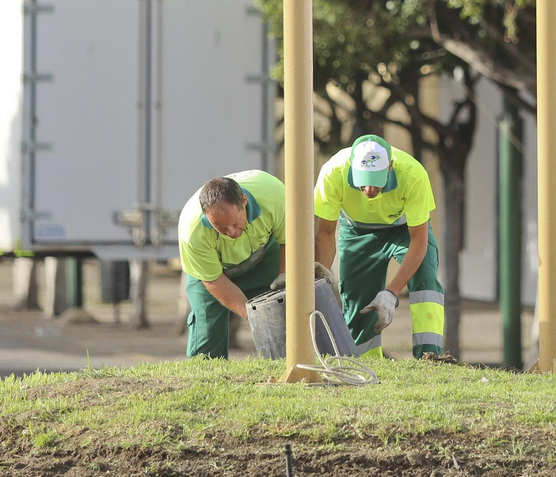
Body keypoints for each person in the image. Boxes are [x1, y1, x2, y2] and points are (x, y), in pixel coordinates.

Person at [313, 134, 444, 359]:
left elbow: (419, 242)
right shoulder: (333, 172)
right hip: (357, 231)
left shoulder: (413, 174)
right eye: (363, 179)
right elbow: (324, 233)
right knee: (357, 301)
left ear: (390, 167)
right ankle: (366, 363)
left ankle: (429, 359)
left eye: (376, 180)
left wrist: (391, 293)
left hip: (404, 230)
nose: (369, 189)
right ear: (352, 167)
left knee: (425, 276)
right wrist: (321, 279)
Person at [177, 170, 287, 359]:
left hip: (264, 259)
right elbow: (213, 279)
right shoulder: (192, 230)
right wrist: (252, 316)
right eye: (220, 228)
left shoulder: (275, 196)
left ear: (244, 201)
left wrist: (284, 278)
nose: (231, 233)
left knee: (283, 321)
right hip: (214, 275)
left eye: (235, 224)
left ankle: (283, 369)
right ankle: (207, 381)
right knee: (207, 337)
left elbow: (290, 242)